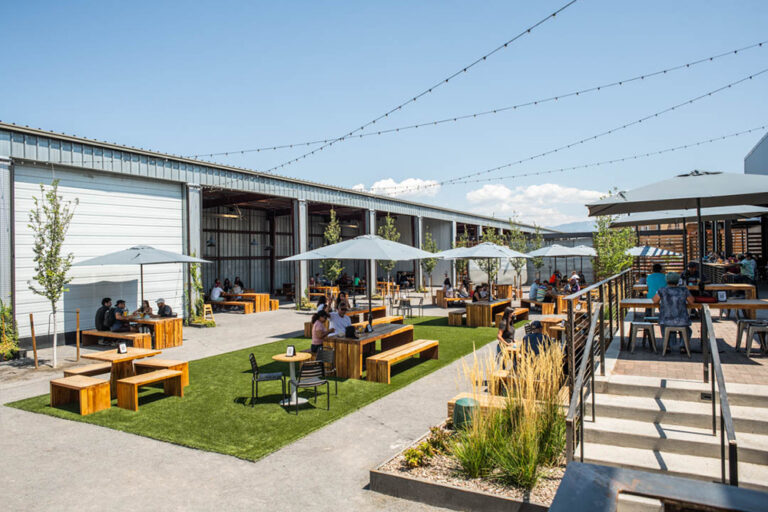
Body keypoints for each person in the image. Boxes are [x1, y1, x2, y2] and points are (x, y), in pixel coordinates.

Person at [652, 272, 694, 351]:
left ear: (667, 281)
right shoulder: (684, 290)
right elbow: (691, 301)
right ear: (678, 281)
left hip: (666, 320)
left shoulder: (662, 290)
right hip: (682, 320)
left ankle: (667, 346)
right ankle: (683, 346)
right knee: (687, 330)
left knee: (664, 327)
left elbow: (654, 300)